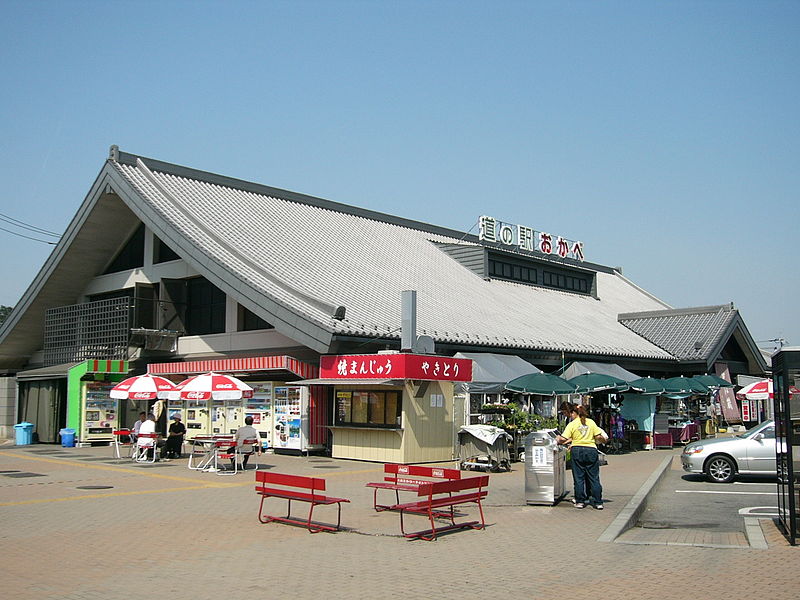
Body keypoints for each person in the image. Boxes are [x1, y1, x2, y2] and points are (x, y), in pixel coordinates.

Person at [557, 404, 606, 510]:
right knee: (594, 478)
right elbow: (598, 436)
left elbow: (563, 438)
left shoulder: (572, 424)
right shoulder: (591, 422)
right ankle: (598, 502)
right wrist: (604, 440)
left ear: (575, 413)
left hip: (577, 450)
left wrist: (557, 439)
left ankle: (580, 501)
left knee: (579, 478)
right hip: (591, 450)